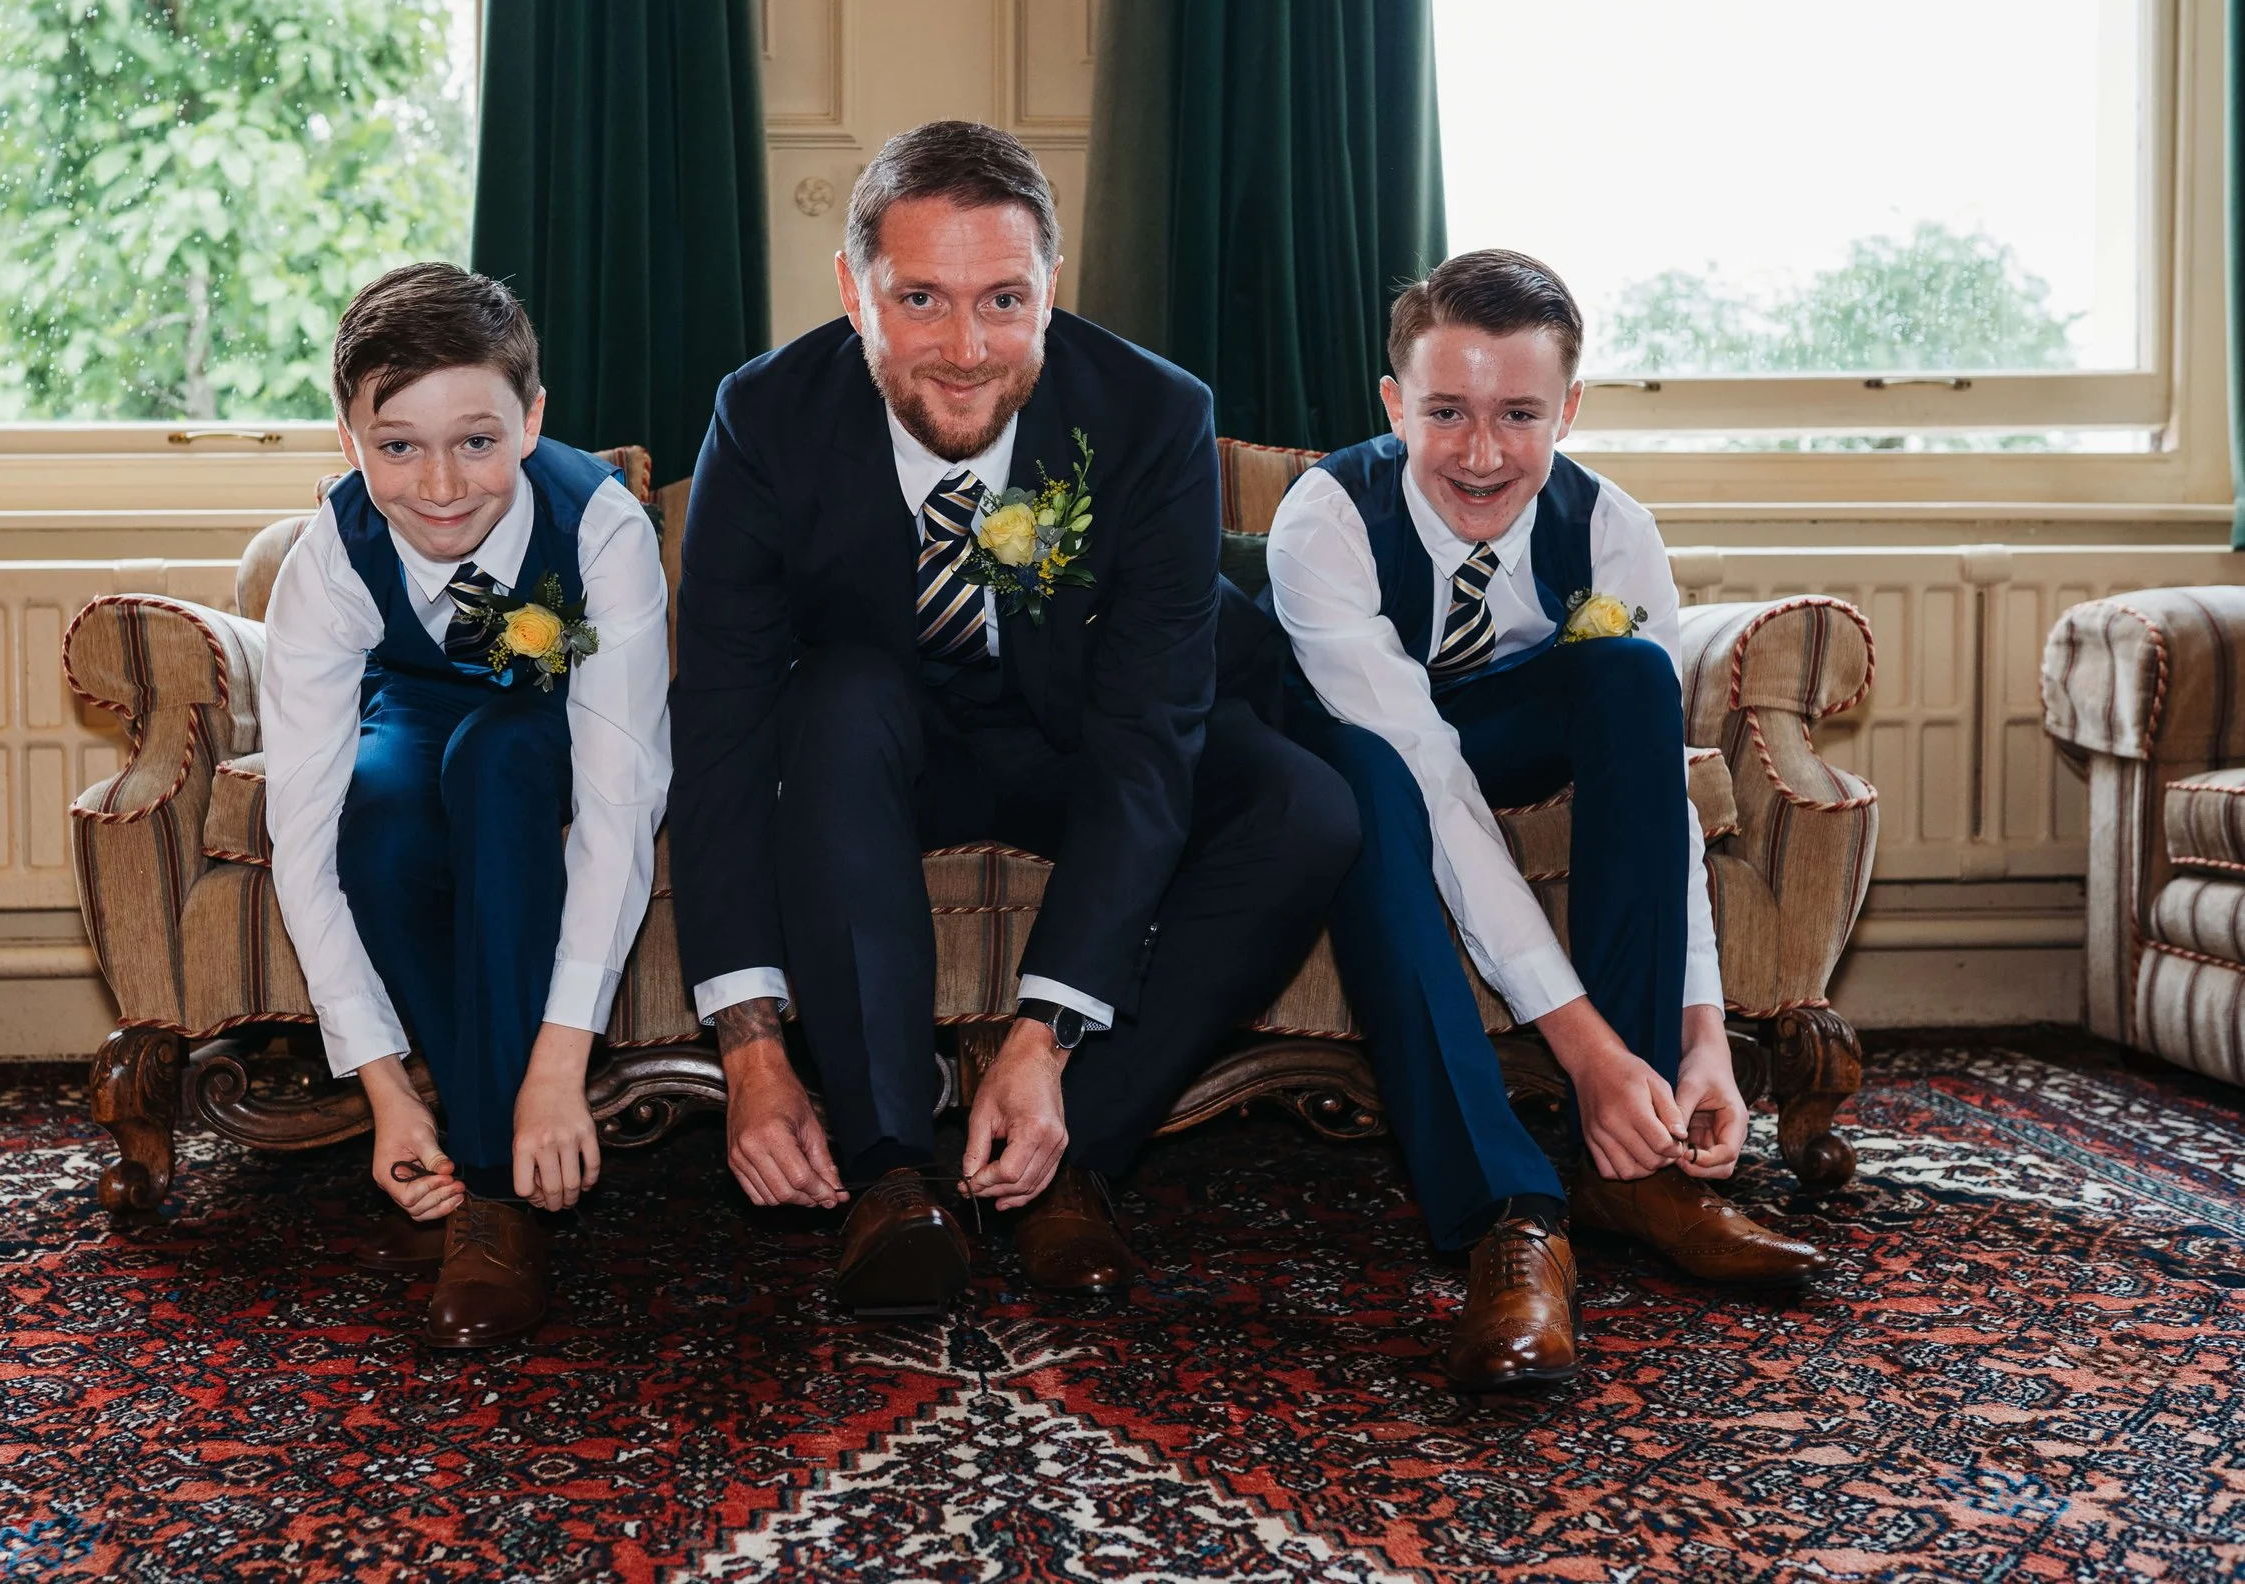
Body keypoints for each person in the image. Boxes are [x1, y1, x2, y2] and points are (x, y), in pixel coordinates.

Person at [669, 120, 1358, 1315]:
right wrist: (748, 1043)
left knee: (1305, 806)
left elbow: (1151, 739)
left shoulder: (1151, 413)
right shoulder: (764, 416)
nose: (965, 348)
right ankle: (890, 1172)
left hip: (1082, 739)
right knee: (833, 695)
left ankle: (1067, 1152)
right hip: (878, 749)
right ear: (852, 291)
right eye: (920, 299)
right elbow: (721, 724)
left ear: (1053, 290)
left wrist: (1042, 1034)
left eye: (1003, 300)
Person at [1266, 249, 1825, 1392]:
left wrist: (1696, 1033)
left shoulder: (1613, 527)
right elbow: (1431, 781)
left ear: (1569, 406)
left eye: (1519, 415)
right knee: (1372, 786)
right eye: (1446, 413)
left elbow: (1661, 792)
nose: (1480, 454)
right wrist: (1583, 1050)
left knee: (1625, 676)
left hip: (1501, 718)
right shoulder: (1323, 520)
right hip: (1360, 749)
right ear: (1392, 403)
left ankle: (1637, 1162)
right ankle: (1510, 1218)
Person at [262, 262, 671, 1349]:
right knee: (377, 820)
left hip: (545, 725)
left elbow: (624, 799)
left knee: (494, 767)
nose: (440, 484)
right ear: (349, 442)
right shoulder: (329, 553)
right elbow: (296, 834)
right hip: (412, 708)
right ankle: (463, 1148)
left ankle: (489, 1194)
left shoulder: (603, 527)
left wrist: (559, 1067)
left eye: (477, 440)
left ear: (532, 421)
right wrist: (386, 1086)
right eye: (397, 446)